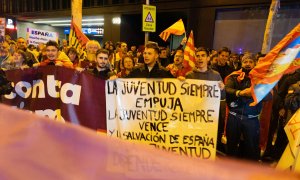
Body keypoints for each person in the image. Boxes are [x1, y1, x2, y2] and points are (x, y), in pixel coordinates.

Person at [225, 54, 271, 160]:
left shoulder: (261, 79)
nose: (248, 64)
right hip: (234, 117)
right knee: (231, 147)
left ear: (255, 64)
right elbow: (227, 90)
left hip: (251, 119)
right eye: (245, 62)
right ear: (242, 63)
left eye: (250, 62)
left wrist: (254, 92)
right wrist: (240, 93)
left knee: (251, 149)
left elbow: (269, 96)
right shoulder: (233, 77)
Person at [184, 47, 226, 154]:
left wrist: (222, 89)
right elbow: (184, 97)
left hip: (209, 118)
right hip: (193, 117)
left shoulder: (216, 75)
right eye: (197, 56)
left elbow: (222, 97)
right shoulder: (189, 75)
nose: (200, 58)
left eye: (203, 56)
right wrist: (180, 84)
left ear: (208, 58)